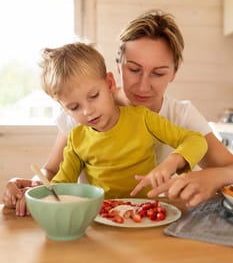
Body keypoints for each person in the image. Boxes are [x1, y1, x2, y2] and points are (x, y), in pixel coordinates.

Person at [3, 9, 233, 216]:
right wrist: (33, 186)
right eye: (134, 69)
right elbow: (52, 171)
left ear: (174, 72)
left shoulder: (180, 115)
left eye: (158, 73)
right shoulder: (82, 110)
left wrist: (212, 176)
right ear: (117, 66)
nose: (143, 86)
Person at [40, 42, 206, 199]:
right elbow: (60, 185)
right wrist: (36, 194)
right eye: (74, 107)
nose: (88, 111)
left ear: (110, 83)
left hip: (145, 213)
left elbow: (196, 140)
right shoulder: (76, 139)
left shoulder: (143, 119)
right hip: (102, 218)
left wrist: (171, 163)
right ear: (64, 109)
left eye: (93, 96)